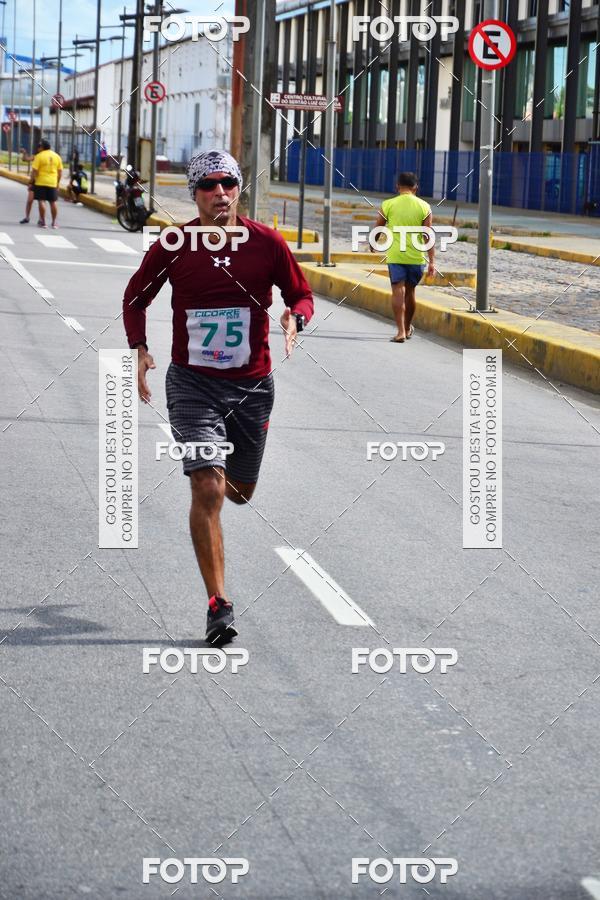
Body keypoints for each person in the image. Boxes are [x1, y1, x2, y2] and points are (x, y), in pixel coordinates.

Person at [122, 150, 314, 643]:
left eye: (228, 183)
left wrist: (297, 317)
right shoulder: (173, 243)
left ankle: (228, 477)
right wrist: (140, 349)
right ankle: (218, 604)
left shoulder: (266, 243)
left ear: (239, 188)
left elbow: (301, 293)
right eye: (209, 185)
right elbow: (135, 296)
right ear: (194, 193)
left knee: (239, 492)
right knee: (206, 486)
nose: (220, 193)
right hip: (192, 384)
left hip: (252, 387)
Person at [372, 172, 435, 343]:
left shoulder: (388, 204)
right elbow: (428, 235)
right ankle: (407, 328)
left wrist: (373, 244)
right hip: (416, 256)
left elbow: (378, 228)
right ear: (416, 188)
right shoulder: (425, 207)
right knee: (411, 292)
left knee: (397, 290)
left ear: (397, 187)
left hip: (395, 255)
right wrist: (432, 262)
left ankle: (400, 332)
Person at [30, 139, 63, 229]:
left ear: (42, 147)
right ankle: (54, 222)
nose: (38, 149)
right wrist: (57, 183)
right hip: (52, 182)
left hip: (40, 182)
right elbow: (60, 172)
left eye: (39, 147)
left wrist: (32, 181)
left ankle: (43, 221)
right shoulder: (57, 156)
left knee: (41, 201)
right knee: (53, 202)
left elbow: (34, 171)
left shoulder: (39, 156)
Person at [18, 143, 41, 224]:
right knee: (30, 200)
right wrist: (24, 153)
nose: (38, 149)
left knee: (40, 201)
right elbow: (25, 159)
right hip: (34, 181)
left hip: (42, 181)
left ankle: (41, 219)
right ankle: (27, 217)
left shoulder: (48, 157)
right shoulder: (36, 156)